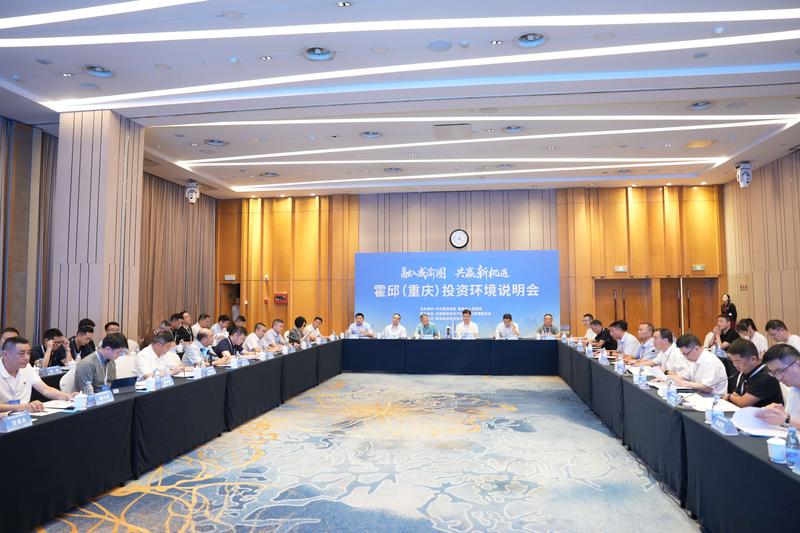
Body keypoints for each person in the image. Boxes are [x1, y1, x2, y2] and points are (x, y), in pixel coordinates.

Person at [0, 336, 77, 413]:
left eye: (28, 353)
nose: (27, 358)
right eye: (21, 353)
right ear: (5, 354)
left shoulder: (27, 367)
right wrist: (20, 407)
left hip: (23, 414)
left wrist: (68, 396)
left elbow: (46, 390)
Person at [722, 339, 783, 408]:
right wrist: (733, 397)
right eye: (732, 361)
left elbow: (743, 403)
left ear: (753, 359)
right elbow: (736, 395)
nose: (735, 365)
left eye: (737, 361)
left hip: (766, 414)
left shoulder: (765, 376)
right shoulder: (745, 372)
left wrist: (729, 396)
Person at [756, 344, 800, 430]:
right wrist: (779, 413)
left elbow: (789, 421)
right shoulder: (793, 387)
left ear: (798, 365)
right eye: (773, 373)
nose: (778, 378)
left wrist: (786, 420)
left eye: (781, 371)